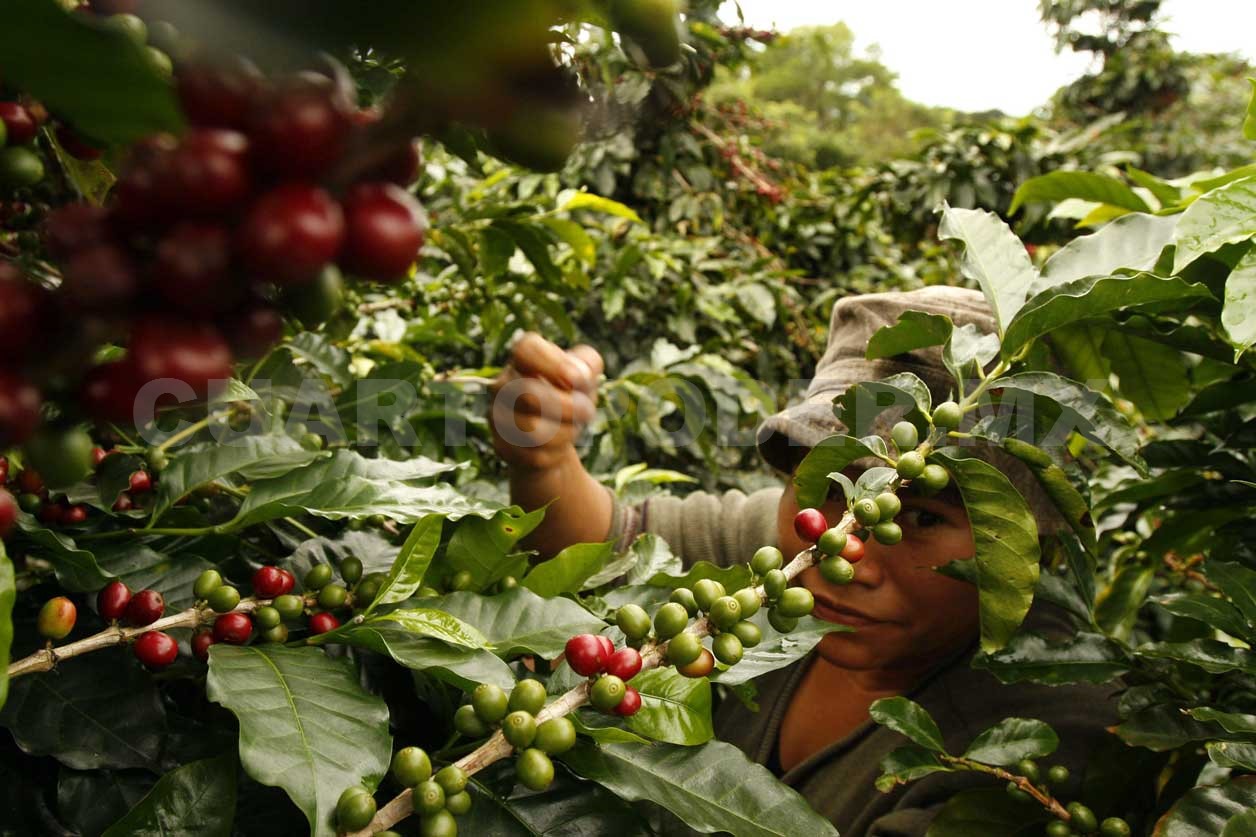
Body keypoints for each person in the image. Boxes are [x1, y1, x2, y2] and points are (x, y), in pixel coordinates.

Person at [489, 286, 1121, 836]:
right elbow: (606, 539)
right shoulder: (790, 547)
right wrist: (542, 455)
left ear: (1026, 545)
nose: (848, 554)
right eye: (831, 485)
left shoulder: (1041, 744)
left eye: (924, 518)